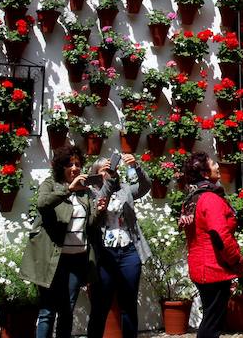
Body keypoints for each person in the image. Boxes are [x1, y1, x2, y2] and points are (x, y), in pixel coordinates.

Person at [22, 145, 98, 338]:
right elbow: (42, 203)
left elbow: (89, 224)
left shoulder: (85, 191)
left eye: (78, 164)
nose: (74, 168)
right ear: (60, 166)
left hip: (76, 260)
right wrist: (68, 190)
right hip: (53, 259)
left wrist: (100, 209)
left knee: (67, 310)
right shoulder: (51, 183)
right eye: (69, 164)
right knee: (48, 311)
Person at [85, 153, 151, 338]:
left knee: (128, 305)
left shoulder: (124, 189)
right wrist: (109, 181)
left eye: (110, 170)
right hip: (104, 254)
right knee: (100, 305)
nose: (109, 173)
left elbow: (145, 186)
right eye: (104, 171)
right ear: (96, 174)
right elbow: (101, 202)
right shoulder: (91, 193)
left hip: (129, 250)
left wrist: (136, 167)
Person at [181, 152, 243, 338]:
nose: (217, 166)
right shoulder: (210, 199)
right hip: (213, 269)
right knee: (213, 322)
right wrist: (237, 261)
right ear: (205, 173)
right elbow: (220, 236)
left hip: (201, 267)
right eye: (213, 164)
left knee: (211, 317)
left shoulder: (192, 198)